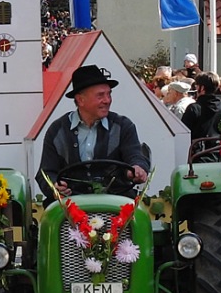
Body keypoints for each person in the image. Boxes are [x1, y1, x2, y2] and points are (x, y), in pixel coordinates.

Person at [37, 65, 149, 200]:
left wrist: (137, 168)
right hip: (70, 206)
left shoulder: (123, 126)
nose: (107, 100)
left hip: (117, 204)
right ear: (80, 100)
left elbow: (135, 155)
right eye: (100, 95)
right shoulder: (57, 130)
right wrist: (54, 186)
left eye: (109, 94)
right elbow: (46, 172)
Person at [181, 72, 221, 162]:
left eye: (196, 86)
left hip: (197, 157)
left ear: (202, 88)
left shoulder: (194, 108)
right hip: (219, 157)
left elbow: (183, 134)